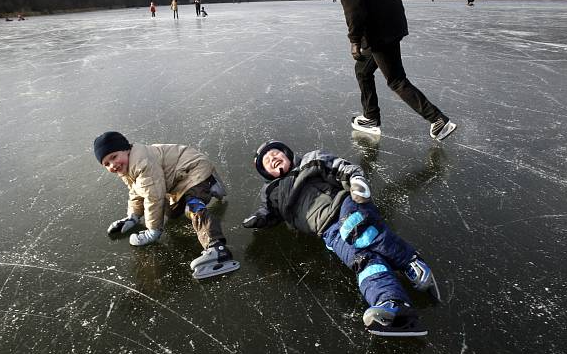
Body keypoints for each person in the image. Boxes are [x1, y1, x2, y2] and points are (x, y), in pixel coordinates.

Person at [244, 141, 440, 337]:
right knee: (362, 261)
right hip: (327, 231)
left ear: (287, 154)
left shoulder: (309, 161)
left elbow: (341, 167)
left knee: (355, 230)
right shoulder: (271, 193)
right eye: (267, 160)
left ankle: (410, 261)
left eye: (276, 153)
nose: (273, 158)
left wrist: (356, 181)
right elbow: (270, 213)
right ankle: (393, 305)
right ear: (265, 172)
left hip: (346, 206)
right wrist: (260, 219)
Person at [326, 0, 457, 141]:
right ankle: (370, 117)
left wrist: (354, 40)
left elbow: (354, 10)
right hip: (388, 28)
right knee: (363, 69)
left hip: (380, 33)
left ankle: (438, 120)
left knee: (396, 80)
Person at [93, 131, 240, 279]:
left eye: (113, 157)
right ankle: (210, 186)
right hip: (178, 181)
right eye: (106, 164)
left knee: (192, 207)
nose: (113, 165)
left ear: (126, 149)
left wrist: (153, 231)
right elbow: (137, 192)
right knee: (171, 213)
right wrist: (133, 217)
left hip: (194, 170)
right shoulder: (127, 168)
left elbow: (153, 196)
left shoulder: (142, 162)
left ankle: (217, 248)